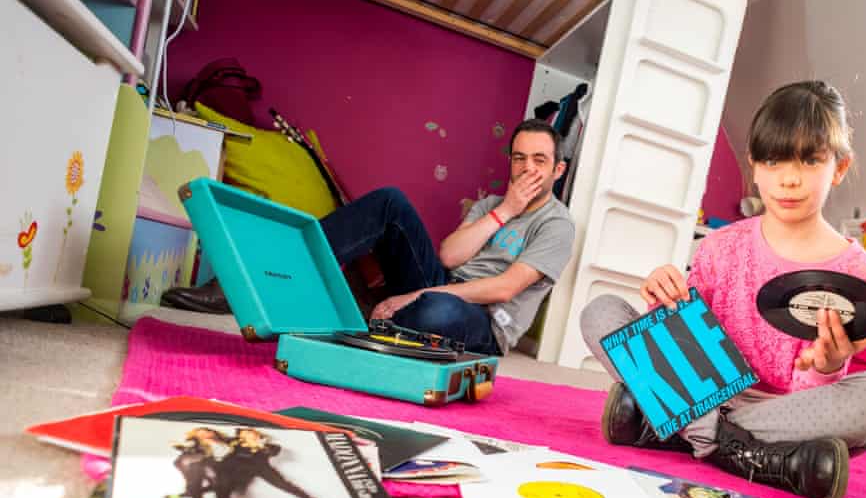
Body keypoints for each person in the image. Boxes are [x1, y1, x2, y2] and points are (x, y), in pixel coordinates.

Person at [579, 80, 866, 498]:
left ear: (839, 168)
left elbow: (813, 393)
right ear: (754, 165)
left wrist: (828, 365)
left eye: (810, 162)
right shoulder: (721, 245)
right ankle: (746, 453)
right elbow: (682, 340)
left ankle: (679, 430)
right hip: (706, 388)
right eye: (774, 161)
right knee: (602, 311)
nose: (789, 179)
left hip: (785, 412)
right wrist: (664, 296)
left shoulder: (855, 268)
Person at [163, 119, 576, 357]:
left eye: (539, 160)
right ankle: (250, 279)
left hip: (480, 323)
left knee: (437, 314)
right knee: (389, 203)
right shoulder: (492, 205)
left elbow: (505, 289)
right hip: (440, 285)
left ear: (558, 170)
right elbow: (449, 256)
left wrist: (414, 297)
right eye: (519, 158)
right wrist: (506, 211)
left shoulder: (558, 225)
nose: (526, 169)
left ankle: (363, 315)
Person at [213, 427, 330, 498]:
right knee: (223, 483)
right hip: (235, 469)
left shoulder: (269, 446)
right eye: (244, 434)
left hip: (261, 468)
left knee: (287, 486)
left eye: (250, 433)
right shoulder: (234, 444)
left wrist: (260, 445)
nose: (248, 435)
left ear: (256, 434)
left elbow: (274, 451)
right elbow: (216, 441)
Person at [166, 426, 228, 498]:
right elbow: (187, 449)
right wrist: (181, 447)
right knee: (195, 485)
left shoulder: (210, 442)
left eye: (206, 432)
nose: (204, 434)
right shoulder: (194, 441)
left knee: (213, 486)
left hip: (201, 466)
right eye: (201, 433)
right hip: (191, 466)